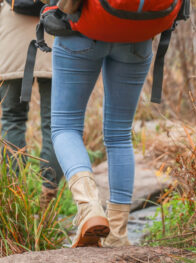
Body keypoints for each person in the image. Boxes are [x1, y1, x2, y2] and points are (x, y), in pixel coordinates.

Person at [51, 7, 153, 247]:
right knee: (119, 134)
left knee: (65, 127)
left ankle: (89, 208)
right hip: (138, 33)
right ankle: (117, 233)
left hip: (81, 28)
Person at [0, 0, 63, 209]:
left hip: (11, 44)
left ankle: (17, 193)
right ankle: (48, 192)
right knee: (56, 123)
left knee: (12, 119)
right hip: (56, 40)